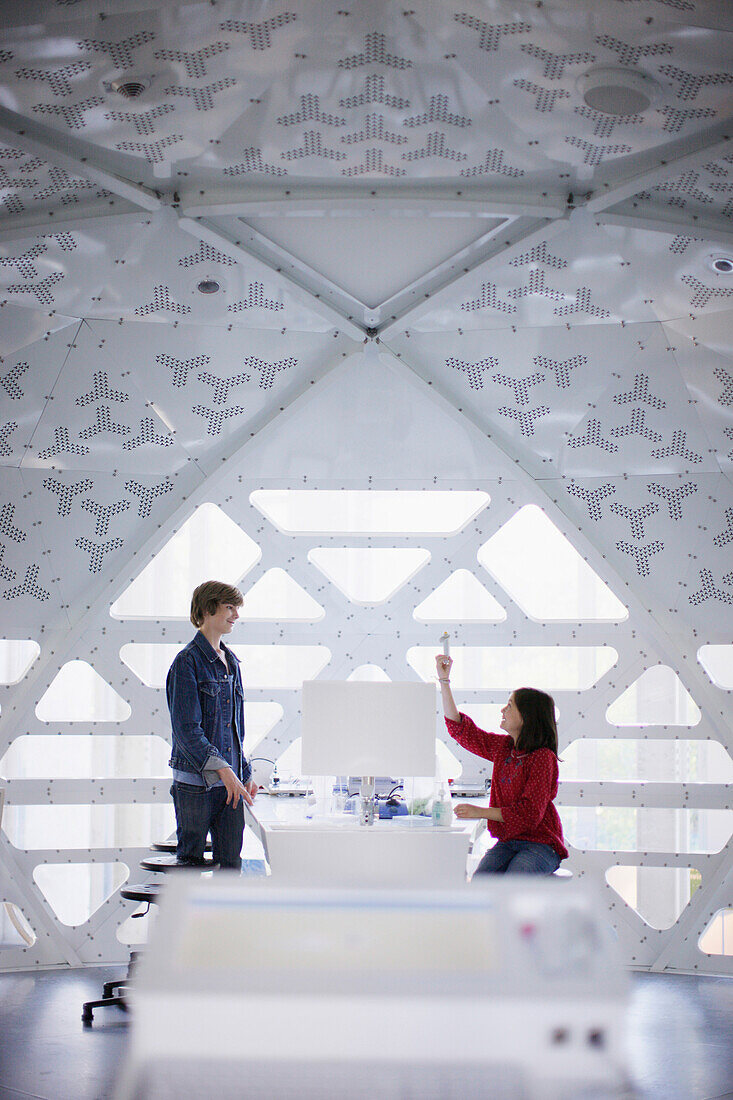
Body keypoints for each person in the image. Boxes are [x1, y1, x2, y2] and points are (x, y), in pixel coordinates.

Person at [435, 654, 567, 875]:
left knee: (512, 883)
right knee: (481, 883)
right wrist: (444, 681)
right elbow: (461, 730)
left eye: (509, 706)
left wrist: (481, 812)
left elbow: (529, 814)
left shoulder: (543, 758)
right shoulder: (504, 748)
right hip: (508, 842)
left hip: (541, 845)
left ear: (526, 716)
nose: (502, 710)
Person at [166, 580, 257, 870]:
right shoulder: (187, 663)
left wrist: (244, 772)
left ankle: (225, 918)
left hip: (230, 784)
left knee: (230, 866)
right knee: (190, 869)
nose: (236, 615)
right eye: (230, 607)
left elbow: (234, 729)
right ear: (207, 609)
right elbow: (186, 730)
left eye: (237, 608)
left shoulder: (231, 661)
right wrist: (223, 769)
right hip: (196, 786)